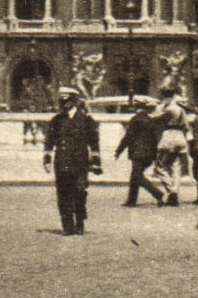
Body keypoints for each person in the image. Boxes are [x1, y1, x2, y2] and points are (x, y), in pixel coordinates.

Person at [44, 86, 101, 236]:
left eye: (67, 101)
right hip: (62, 161)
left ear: (74, 101)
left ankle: (80, 221)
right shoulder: (56, 121)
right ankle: (67, 226)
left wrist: (96, 162)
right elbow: (49, 141)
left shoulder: (86, 120)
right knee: (63, 195)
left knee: (80, 193)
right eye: (62, 102)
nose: (64, 105)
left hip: (80, 162)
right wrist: (47, 160)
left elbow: (94, 142)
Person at [115, 96, 167, 207]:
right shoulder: (150, 120)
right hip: (148, 153)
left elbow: (128, 137)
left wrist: (118, 151)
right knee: (135, 176)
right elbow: (154, 139)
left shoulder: (135, 119)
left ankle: (157, 194)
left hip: (138, 152)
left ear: (137, 107)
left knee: (137, 177)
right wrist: (154, 154)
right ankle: (131, 200)